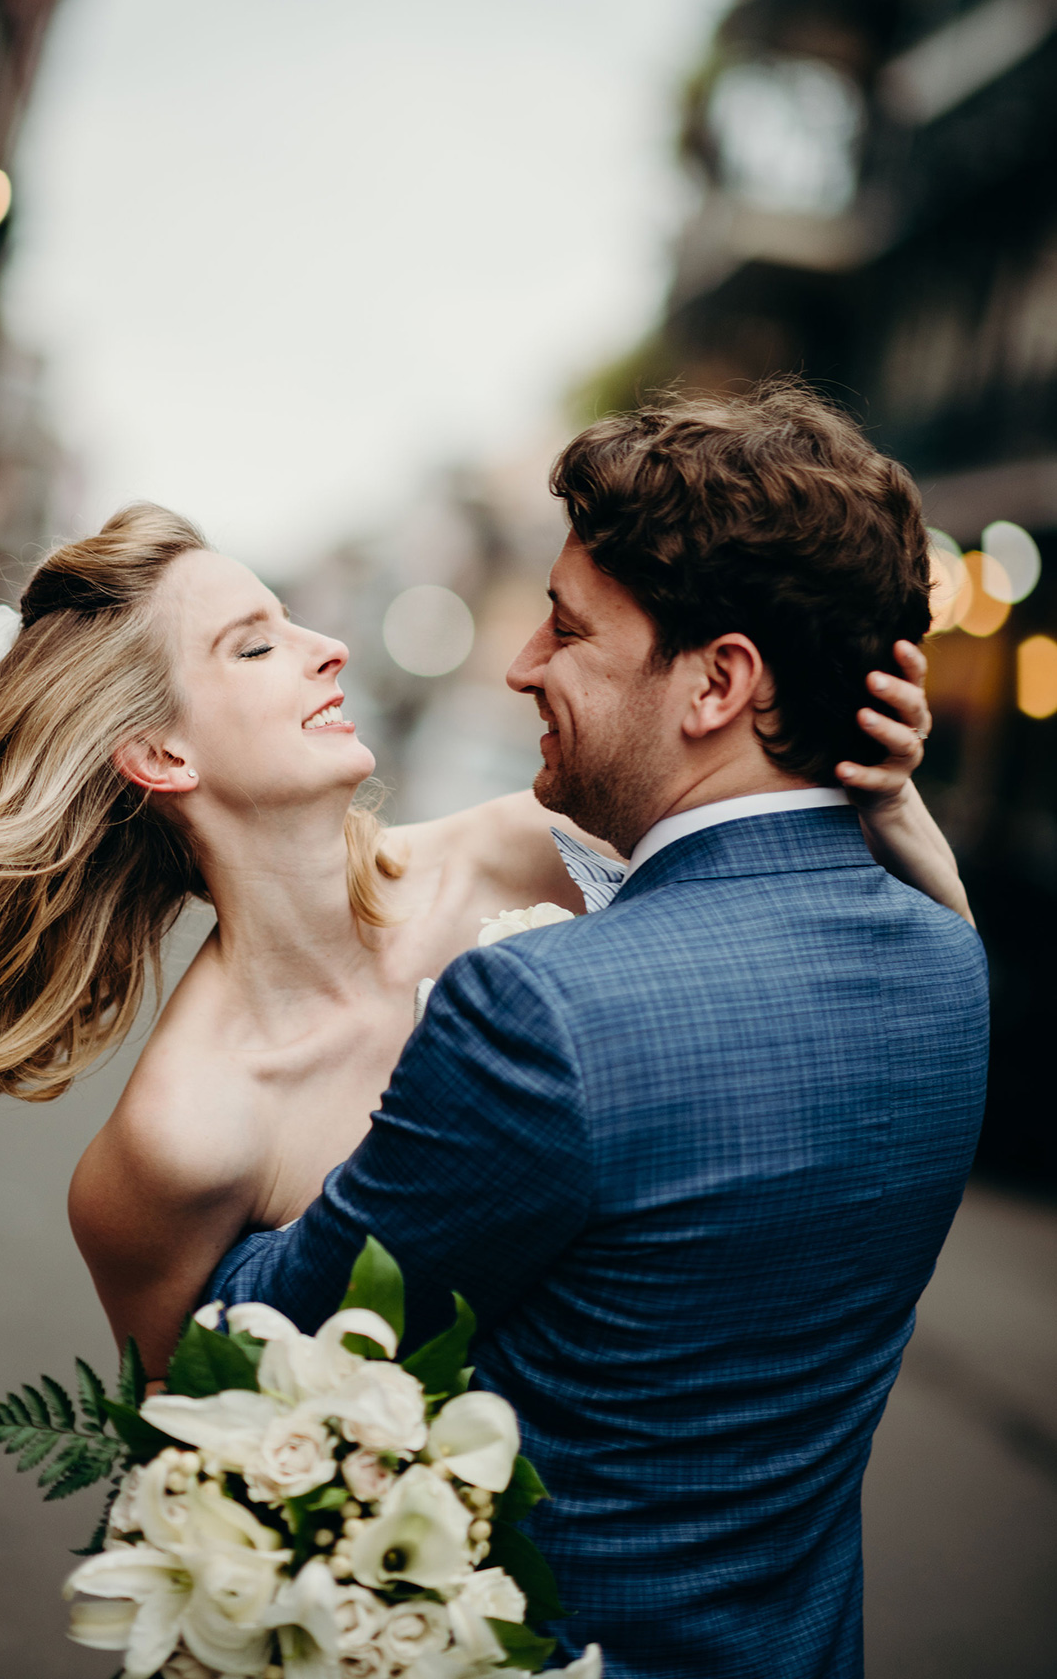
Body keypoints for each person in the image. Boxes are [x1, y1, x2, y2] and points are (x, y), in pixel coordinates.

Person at [0, 387, 960, 1499]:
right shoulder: (176, 1138)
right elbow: (217, 1490)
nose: (326, 645)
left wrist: (878, 802)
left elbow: (827, 983)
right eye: (254, 643)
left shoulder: (525, 846)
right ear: (164, 754)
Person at [205, 387, 990, 1679]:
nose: (520, 666)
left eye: (567, 630)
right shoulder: (947, 970)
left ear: (719, 682)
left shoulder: (544, 1016)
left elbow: (275, 1342)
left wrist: (209, 1121)